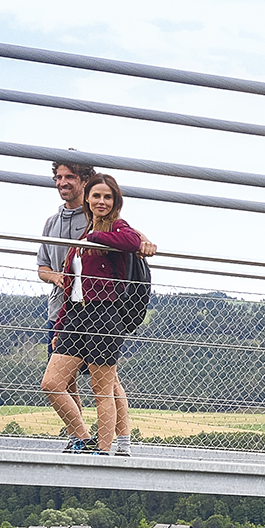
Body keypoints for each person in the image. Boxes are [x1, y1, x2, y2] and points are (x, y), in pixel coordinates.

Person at [37, 160, 154, 452]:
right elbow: (69, 282)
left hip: (105, 316)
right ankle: (81, 437)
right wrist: (60, 326)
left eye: (107, 196)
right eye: (97, 196)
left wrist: (97, 237)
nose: (101, 201)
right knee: (52, 383)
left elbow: (129, 238)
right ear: (88, 198)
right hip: (73, 315)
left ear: (115, 202)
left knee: (103, 390)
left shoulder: (115, 228)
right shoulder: (72, 235)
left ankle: (105, 451)